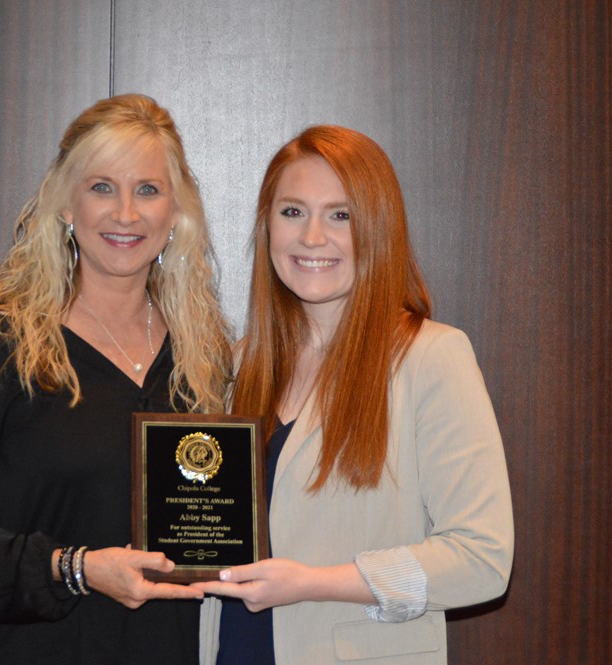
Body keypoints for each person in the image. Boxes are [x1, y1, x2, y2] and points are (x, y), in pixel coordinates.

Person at [0, 94, 232, 664]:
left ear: (176, 211)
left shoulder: (204, 358)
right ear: (65, 204)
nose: (125, 214)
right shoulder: (1, 344)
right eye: (102, 187)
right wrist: (74, 569)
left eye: (148, 190)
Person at [194, 126, 514, 664]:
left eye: (340, 215)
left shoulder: (432, 358)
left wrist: (314, 583)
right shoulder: (239, 364)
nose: (312, 236)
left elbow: (482, 559)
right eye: (292, 212)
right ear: (267, 225)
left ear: (378, 229)